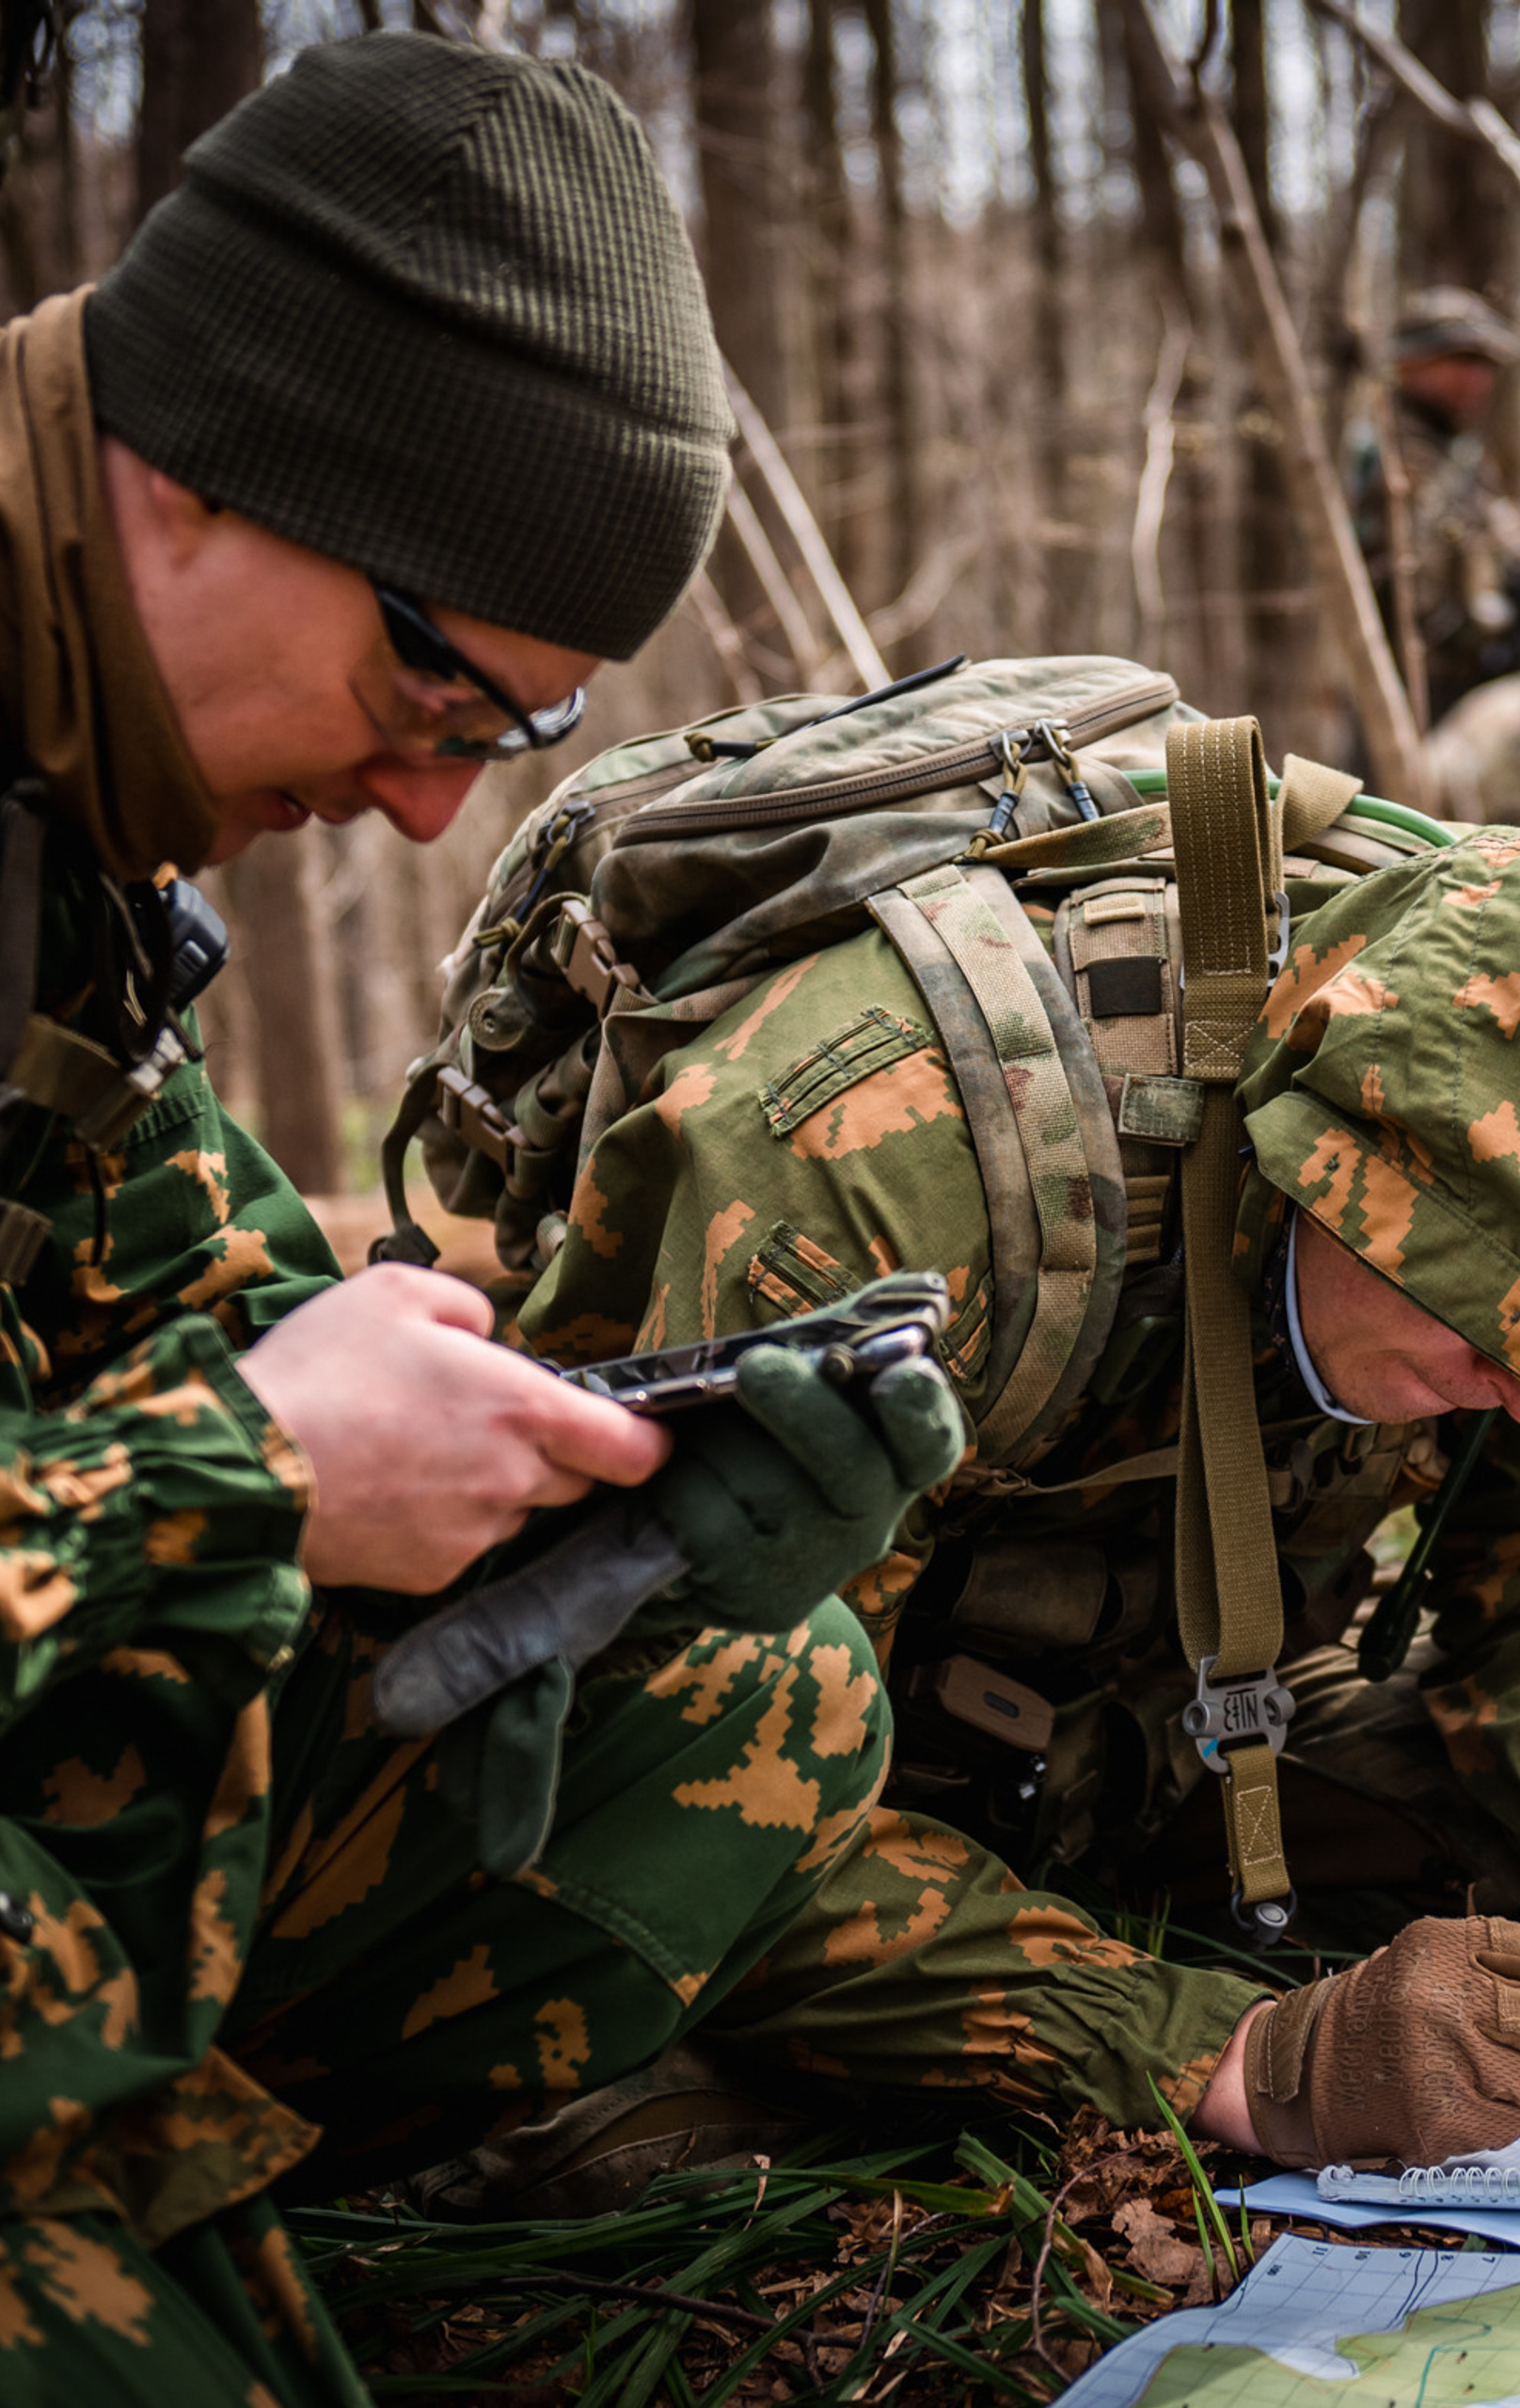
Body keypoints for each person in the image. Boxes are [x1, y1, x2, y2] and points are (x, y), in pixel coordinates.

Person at [0, 37, 993, 2404]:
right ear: (207, 472)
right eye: (431, 682)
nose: (431, 811)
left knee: (730, 1697)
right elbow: (210, 1446)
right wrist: (231, 1473)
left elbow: (207, 1309)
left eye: (511, 738)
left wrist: (596, 1477)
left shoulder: (69, 839)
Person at [505, 809, 1520, 2190]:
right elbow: (674, 1764)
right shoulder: (876, 1161)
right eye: (1503, 1331)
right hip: (798, 1767)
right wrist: (1240, 2062)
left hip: (1154, 1730)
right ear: (1344, 1149)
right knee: (638, 2126)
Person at [1347, 286, 1520, 725]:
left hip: (1473, 686)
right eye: (1459, 362)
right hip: (1412, 694)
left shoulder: (1457, 455)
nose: (1476, 380)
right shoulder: (1380, 453)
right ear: (1407, 362)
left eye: (1484, 365)